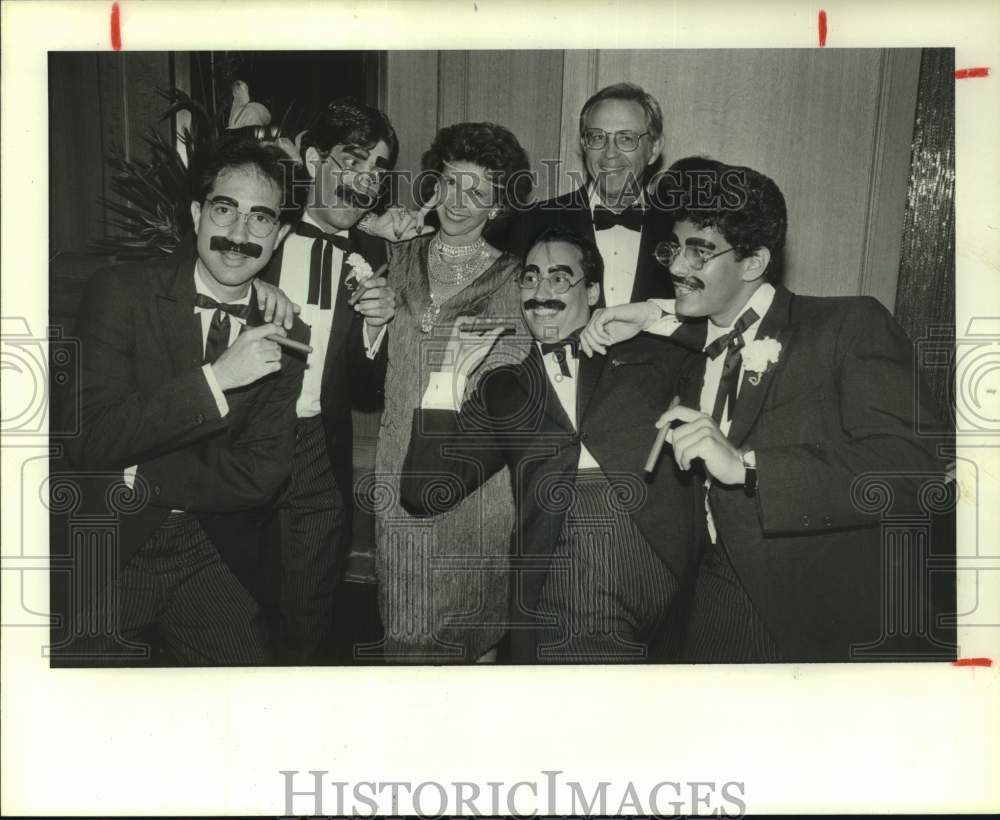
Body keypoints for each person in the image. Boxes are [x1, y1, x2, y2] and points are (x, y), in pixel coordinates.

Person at [579, 162, 951, 662]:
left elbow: (912, 468)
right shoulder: (684, 349)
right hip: (715, 600)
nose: (675, 266)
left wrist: (750, 468)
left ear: (753, 262)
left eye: (700, 250)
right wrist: (652, 312)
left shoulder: (845, 325)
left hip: (829, 617)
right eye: (674, 245)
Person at [54, 138, 309, 665]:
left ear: (280, 234)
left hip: (213, 550)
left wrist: (140, 472)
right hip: (111, 546)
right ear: (197, 213)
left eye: (261, 219)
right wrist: (216, 380)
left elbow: (261, 475)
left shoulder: (284, 332)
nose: (239, 235)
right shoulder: (120, 292)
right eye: (224, 209)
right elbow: (89, 438)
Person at [399, 227, 698, 663]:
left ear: (593, 290)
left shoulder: (651, 352)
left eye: (560, 278)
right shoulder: (503, 388)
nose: (541, 291)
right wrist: (447, 377)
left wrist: (653, 313)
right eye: (531, 277)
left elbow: (735, 331)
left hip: (670, 566)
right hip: (570, 571)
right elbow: (422, 492)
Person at [367, 121, 533, 663]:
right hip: (398, 469)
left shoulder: (514, 278)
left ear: (497, 207)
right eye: (452, 182)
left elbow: (507, 381)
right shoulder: (394, 257)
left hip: (472, 479)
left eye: (479, 192)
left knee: (471, 640)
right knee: (408, 635)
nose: (461, 202)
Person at [255, 99, 399, 663]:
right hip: (241, 441)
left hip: (320, 450)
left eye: (378, 171)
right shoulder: (256, 229)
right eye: (353, 161)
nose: (365, 182)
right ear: (313, 159)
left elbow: (367, 388)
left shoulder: (378, 253)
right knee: (237, 601)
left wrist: (376, 329)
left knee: (309, 612)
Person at [510, 82, 674, 306]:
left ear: (653, 149)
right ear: (584, 144)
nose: (610, 153)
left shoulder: (676, 228)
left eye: (626, 138)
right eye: (598, 137)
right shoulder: (532, 223)